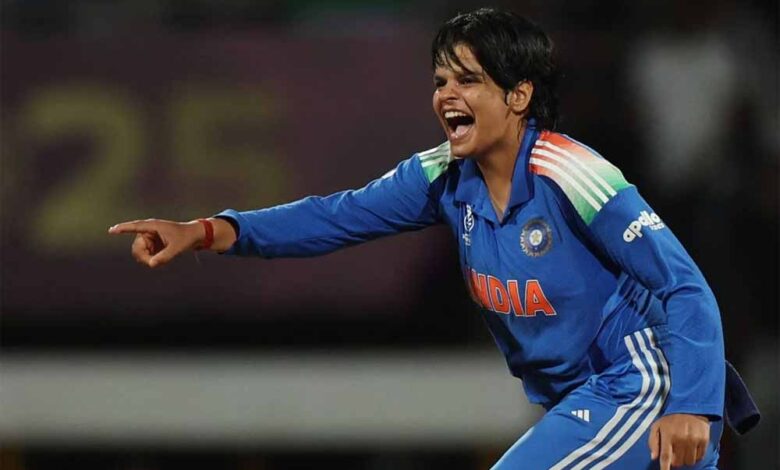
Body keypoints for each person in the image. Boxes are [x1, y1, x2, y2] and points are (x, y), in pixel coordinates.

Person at [109, 8, 756, 469]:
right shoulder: (442, 176)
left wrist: (692, 407)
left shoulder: (573, 175)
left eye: (468, 80)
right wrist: (206, 231)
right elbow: (334, 217)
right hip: (584, 402)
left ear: (519, 95)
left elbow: (686, 287)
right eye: (441, 80)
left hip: (642, 390)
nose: (447, 94)